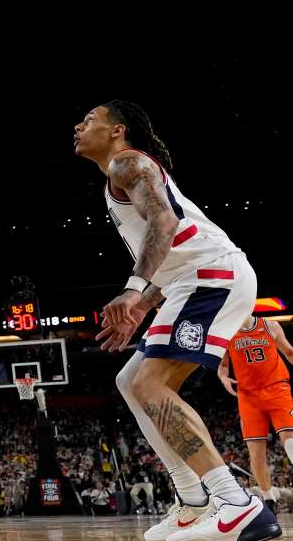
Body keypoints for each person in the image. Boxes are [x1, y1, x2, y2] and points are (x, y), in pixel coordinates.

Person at [80, 100, 281, 541]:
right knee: (131, 381)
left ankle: (236, 504)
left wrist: (134, 289)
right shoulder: (120, 175)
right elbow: (174, 252)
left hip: (212, 277)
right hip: (192, 280)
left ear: (118, 130)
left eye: (90, 120)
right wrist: (143, 304)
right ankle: (193, 500)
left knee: (151, 383)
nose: (79, 126)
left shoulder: (127, 163)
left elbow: (165, 223)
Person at [218, 317, 293, 512]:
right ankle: (269, 500)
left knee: (291, 442)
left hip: (277, 389)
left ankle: (269, 499)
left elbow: (289, 352)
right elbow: (223, 365)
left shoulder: (270, 326)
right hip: (248, 396)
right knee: (256, 454)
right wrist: (223, 377)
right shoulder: (228, 330)